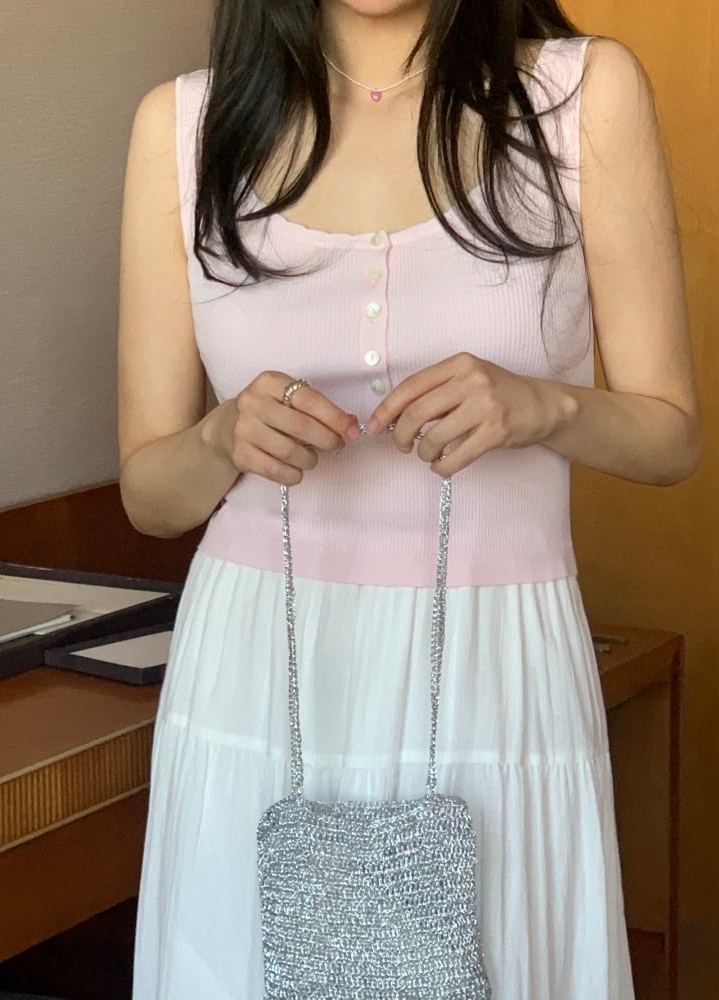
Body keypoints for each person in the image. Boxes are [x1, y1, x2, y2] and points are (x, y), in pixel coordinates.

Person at [118, 0, 701, 994]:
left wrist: (544, 405)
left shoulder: (582, 95)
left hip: (493, 661)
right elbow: (149, 492)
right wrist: (220, 438)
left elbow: (671, 434)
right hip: (255, 670)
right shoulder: (182, 127)